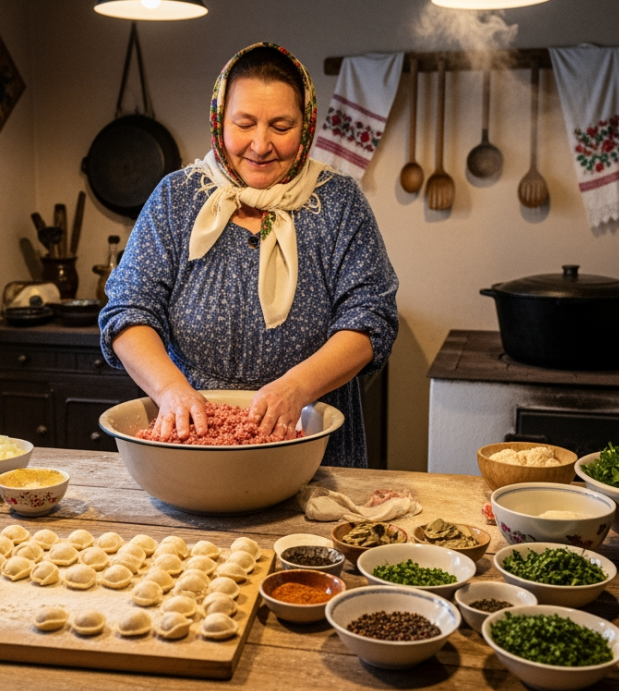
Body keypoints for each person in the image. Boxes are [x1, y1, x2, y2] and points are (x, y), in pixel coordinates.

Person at [98, 43, 398, 468]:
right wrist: (169, 390)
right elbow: (128, 311)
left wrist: (296, 388)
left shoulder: (339, 202)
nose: (260, 144)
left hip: (311, 435)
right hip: (197, 437)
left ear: (306, 126)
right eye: (244, 124)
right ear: (220, 122)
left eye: (281, 126)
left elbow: (371, 318)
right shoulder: (176, 199)